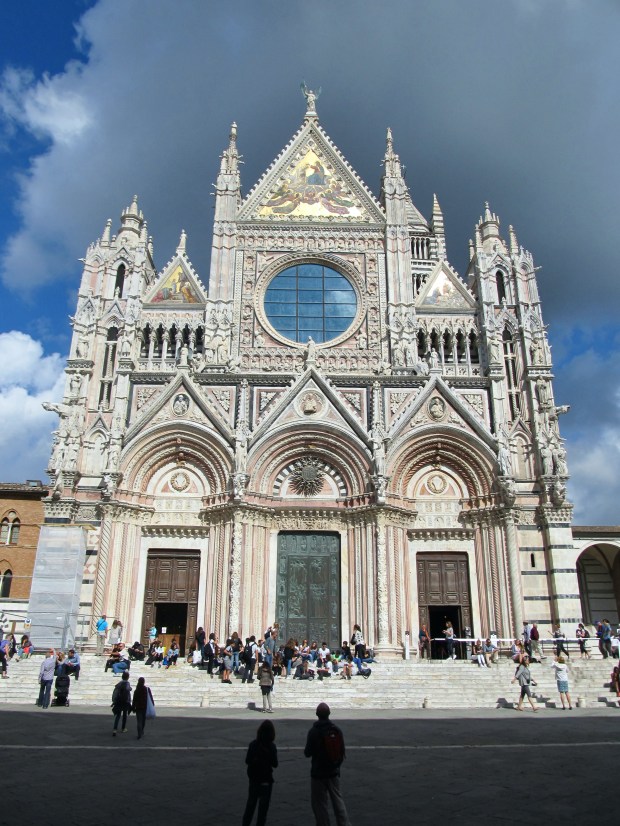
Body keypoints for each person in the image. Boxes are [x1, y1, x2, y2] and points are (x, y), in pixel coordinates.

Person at [304, 703, 351, 826]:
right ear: (329, 714)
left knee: (319, 804)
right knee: (338, 800)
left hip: (318, 773)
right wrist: (336, 766)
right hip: (333, 771)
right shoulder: (336, 730)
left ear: (317, 714)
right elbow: (342, 752)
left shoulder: (313, 731)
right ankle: (344, 823)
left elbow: (307, 753)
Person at [242, 719, 278, 826]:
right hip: (266, 779)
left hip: (254, 779)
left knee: (250, 806)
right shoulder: (271, 746)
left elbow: (247, 761)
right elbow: (275, 764)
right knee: (263, 811)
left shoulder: (253, 744)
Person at [111, 670, 132, 735]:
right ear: (127, 677)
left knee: (118, 715)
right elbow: (128, 690)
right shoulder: (127, 683)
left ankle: (115, 729)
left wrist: (114, 701)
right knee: (124, 715)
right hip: (125, 701)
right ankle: (123, 728)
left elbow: (115, 693)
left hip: (119, 701)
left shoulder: (119, 684)